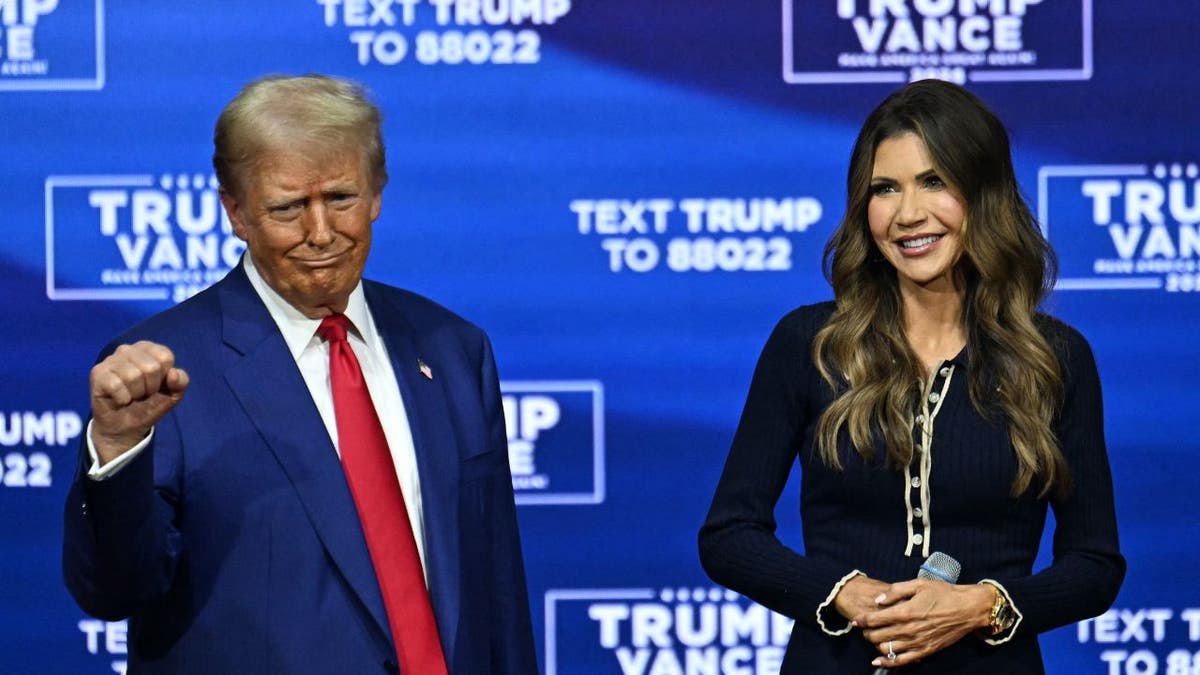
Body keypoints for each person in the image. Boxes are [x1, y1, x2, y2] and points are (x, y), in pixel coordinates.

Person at [62, 74, 538, 674]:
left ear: (377, 194)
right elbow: (114, 590)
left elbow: (498, 594)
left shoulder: (452, 351)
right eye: (288, 208)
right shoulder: (165, 369)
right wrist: (117, 450)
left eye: (341, 198)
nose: (321, 234)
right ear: (235, 212)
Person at [698, 79, 1124, 674]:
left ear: (983, 195)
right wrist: (844, 592)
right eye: (884, 189)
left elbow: (1094, 564)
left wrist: (983, 606)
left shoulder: (1054, 358)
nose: (908, 214)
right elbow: (728, 535)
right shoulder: (810, 344)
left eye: (934, 182)